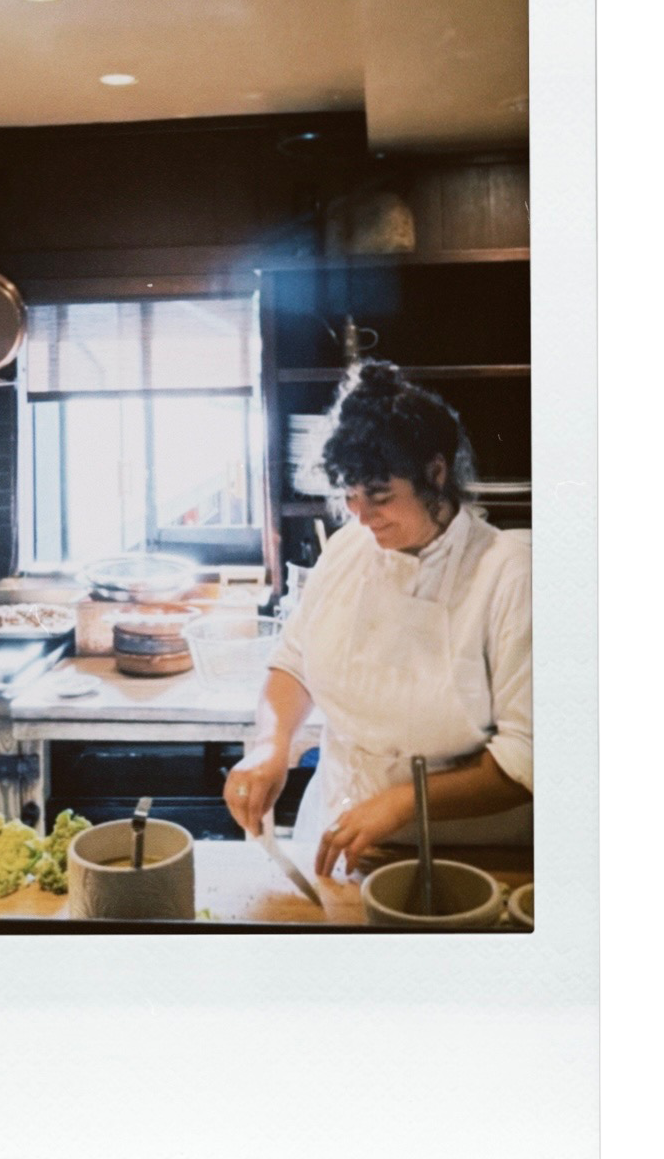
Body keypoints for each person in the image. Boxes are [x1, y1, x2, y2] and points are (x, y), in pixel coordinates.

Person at [223, 359, 532, 880]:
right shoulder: (348, 549)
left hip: (472, 860)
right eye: (350, 498)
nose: (362, 516)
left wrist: (405, 802)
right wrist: (272, 746)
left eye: (380, 496)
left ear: (436, 473)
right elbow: (294, 663)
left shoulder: (508, 572)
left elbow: (527, 758)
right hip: (341, 836)